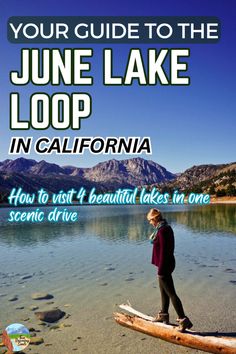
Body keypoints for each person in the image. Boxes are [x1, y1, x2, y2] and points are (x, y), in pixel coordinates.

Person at [147, 208, 193, 332]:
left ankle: (183, 320)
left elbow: (164, 252)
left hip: (165, 265)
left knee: (171, 293)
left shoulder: (162, 231)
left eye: (150, 220)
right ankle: (163, 315)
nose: (150, 222)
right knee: (164, 292)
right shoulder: (164, 228)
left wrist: (161, 270)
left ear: (155, 219)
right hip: (166, 264)